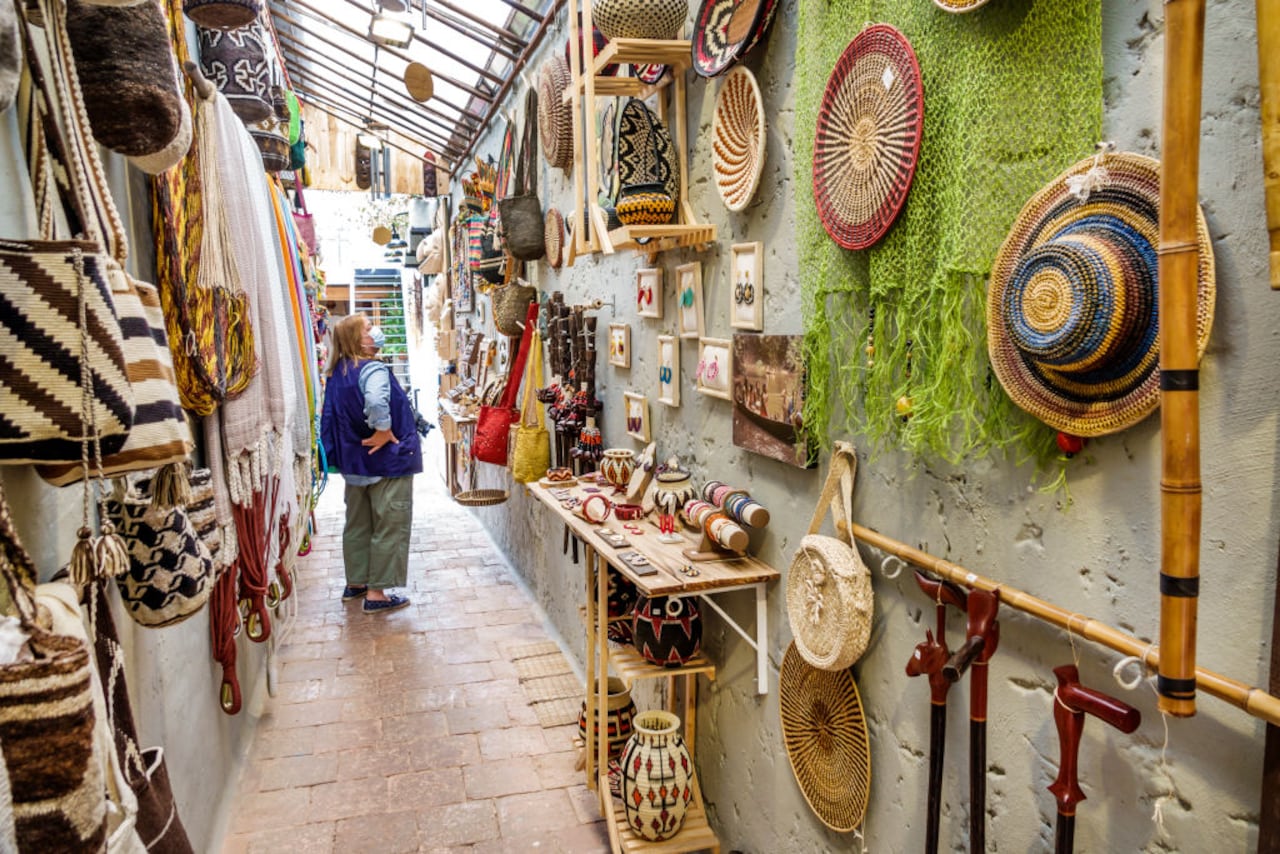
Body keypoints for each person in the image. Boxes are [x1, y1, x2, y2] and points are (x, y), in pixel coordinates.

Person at [319, 313, 421, 614]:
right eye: (367, 328)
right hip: (386, 462)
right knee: (389, 524)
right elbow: (377, 401)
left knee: (358, 525)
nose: (374, 331)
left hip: (355, 463)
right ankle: (376, 594)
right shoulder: (372, 369)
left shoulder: (337, 372)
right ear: (357, 340)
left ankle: (357, 582)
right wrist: (382, 428)